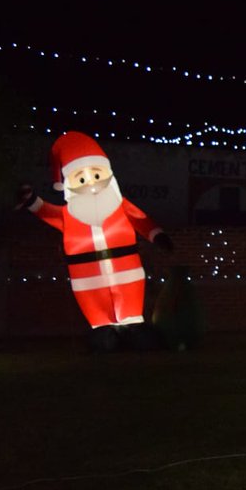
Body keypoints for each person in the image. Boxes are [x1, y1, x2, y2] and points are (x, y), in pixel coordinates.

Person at [18, 131, 172, 350]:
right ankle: (103, 334)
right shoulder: (68, 214)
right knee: (98, 313)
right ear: (69, 183)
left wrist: (157, 235)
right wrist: (31, 200)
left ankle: (134, 330)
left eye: (97, 175)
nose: (90, 183)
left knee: (130, 310)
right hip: (86, 276)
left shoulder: (120, 205)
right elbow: (46, 211)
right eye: (81, 178)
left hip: (127, 269)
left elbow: (141, 219)